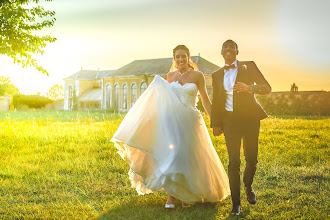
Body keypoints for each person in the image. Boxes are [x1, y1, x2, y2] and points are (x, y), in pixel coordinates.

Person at [111, 45, 230, 209]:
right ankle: (173, 196)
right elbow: (165, 99)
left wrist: (215, 122)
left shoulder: (198, 75)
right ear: (174, 59)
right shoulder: (170, 75)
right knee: (173, 155)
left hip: (190, 121)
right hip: (172, 122)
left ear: (189, 58)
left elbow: (205, 101)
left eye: (184, 56)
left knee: (189, 157)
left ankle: (187, 194)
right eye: (178, 57)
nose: (181, 59)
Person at [211, 39, 272, 215]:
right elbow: (216, 101)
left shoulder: (249, 66)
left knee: (252, 158)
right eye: (225, 48)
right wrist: (215, 123)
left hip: (251, 119)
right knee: (234, 161)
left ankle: (247, 185)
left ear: (237, 52)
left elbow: (267, 87)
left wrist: (249, 88)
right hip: (230, 122)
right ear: (222, 52)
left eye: (232, 47)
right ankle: (235, 203)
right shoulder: (216, 75)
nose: (229, 50)